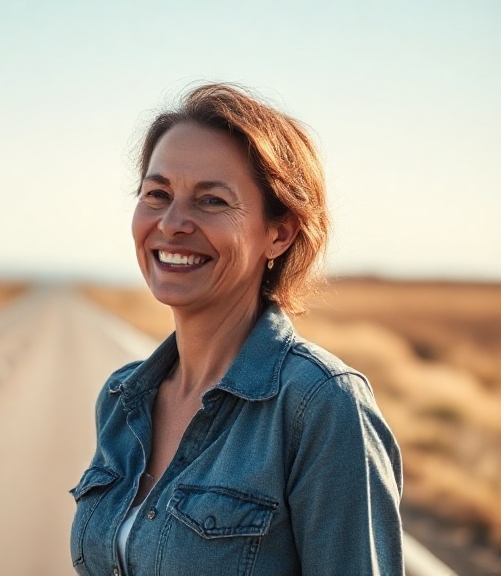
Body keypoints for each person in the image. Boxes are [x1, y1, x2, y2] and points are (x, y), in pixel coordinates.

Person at [70, 83, 403, 576]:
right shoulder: (122, 398)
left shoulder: (322, 406)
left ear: (279, 233)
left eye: (212, 201)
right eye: (157, 194)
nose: (173, 222)